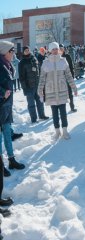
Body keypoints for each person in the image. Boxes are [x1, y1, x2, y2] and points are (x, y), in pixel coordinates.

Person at [38, 42, 78, 140]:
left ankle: (65, 131)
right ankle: (57, 131)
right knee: (54, 113)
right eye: (53, 49)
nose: (55, 51)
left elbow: (69, 76)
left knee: (63, 112)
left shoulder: (63, 61)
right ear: (50, 51)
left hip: (62, 90)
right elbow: (42, 78)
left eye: (56, 49)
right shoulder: (46, 63)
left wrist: (74, 88)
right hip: (50, 91)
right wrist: (40, 91)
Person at [0, 41, 26, 170]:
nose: (13, 54)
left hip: (6, 105)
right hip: (1, 105)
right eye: (12, 51)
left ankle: (11, 160)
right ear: (5, 52)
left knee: (7, 133)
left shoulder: (7, 65)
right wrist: (2, 92)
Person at [18, 46, 48, 123]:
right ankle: (34, 118)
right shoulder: (22, 62)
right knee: (31, 104)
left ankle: (42, 115)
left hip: (37, 85)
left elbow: (39, 71)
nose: (27, 51)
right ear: (23, 52)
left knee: (40, 102)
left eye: (28, 50)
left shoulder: (34, 59)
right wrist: (25, 88)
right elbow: (21, 77)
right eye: (25, 50)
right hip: (29, 87)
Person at [59, 44, 77, 112]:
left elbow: (71, 67)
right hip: (60, 79)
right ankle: (62, 109)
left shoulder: (67, 56)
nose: (61, 49)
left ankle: (72, 107)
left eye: (62, 48)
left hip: (67, 78)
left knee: (69, 93)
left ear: (64, 48)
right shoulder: (57, 57)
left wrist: (72, 76)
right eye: (60, 48)